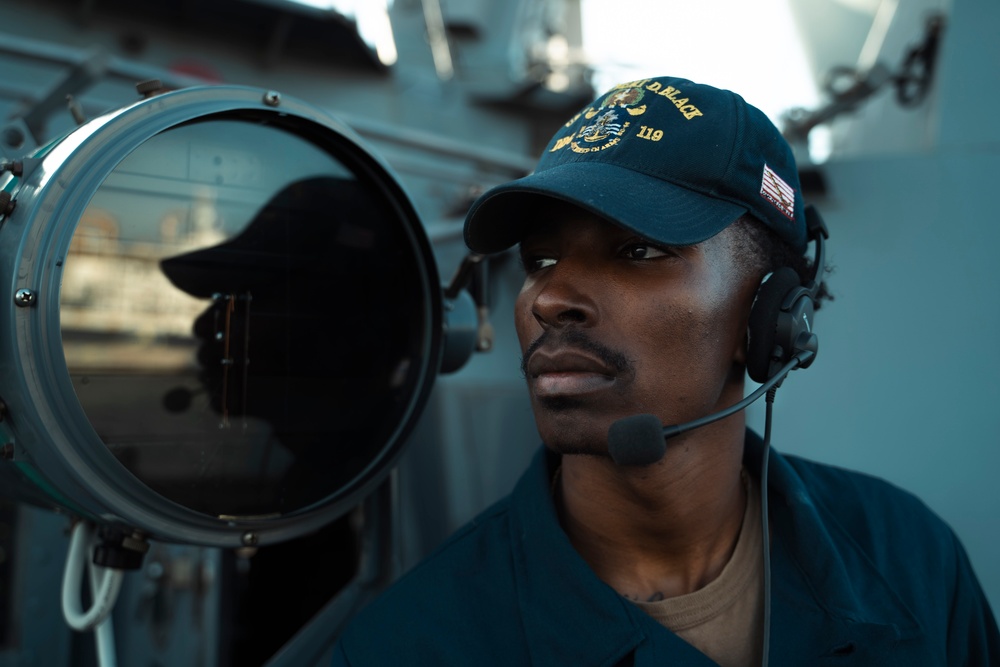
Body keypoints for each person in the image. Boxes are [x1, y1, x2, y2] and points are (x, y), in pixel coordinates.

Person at [332, 76, 999, 666]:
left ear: (771, 312)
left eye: (638, 249)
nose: (550, 296)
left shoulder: (909, 561)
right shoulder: (411, 645)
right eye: (540, 259)